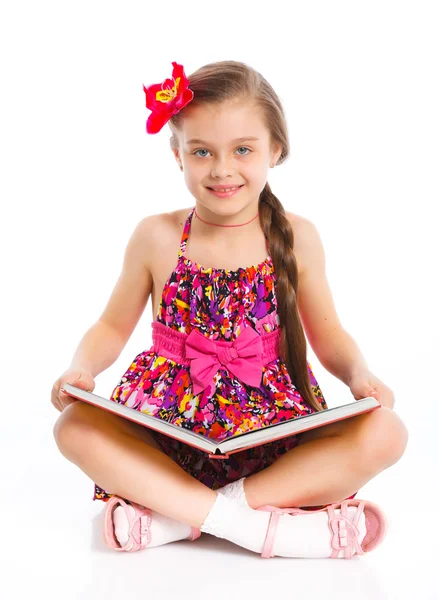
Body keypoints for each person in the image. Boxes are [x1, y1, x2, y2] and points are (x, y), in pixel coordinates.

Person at [51, 60, 409, 559]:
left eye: (243, 150)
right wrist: (82, 369)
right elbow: (111, 325)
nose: (222, 169)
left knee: (387, 433)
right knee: (73, 428)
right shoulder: (156, 235)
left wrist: (360, 376)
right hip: (169, 429)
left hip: (271, 432)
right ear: (178, 155)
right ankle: (257, 527)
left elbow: (330, 334)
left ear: (275, 150)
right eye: (202, 152)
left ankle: (177, 519)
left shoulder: (297, 237)